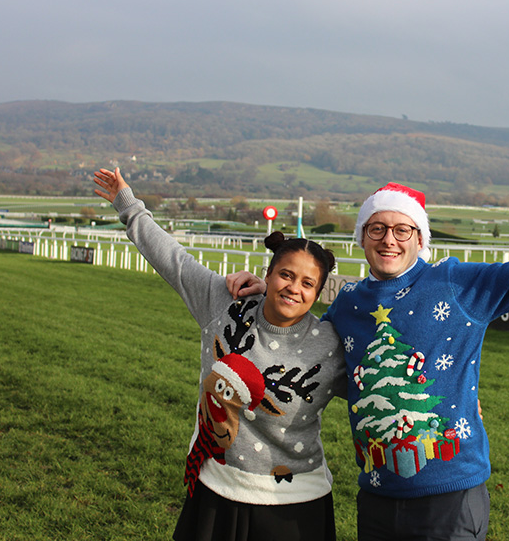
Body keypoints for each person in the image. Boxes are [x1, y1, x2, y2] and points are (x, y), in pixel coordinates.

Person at [227, 163, 509, 541]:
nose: (389, 240)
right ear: (362, 238)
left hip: (450, 499)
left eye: (403, 230)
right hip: (376, 497)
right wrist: (273, 291)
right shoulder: (349, 304)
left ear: (421, 238)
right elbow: (318, 358)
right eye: (377, 229)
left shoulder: (459, 285)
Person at [94, 167, 346, 541]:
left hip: (296, 506)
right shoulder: (224, 303)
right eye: (286, 275)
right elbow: (173, 260)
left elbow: (376, 387)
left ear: (320, 292)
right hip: (217, 489)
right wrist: (127, 204)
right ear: (269, 272)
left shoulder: (330, 345)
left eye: (308, 283)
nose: (294, 288)